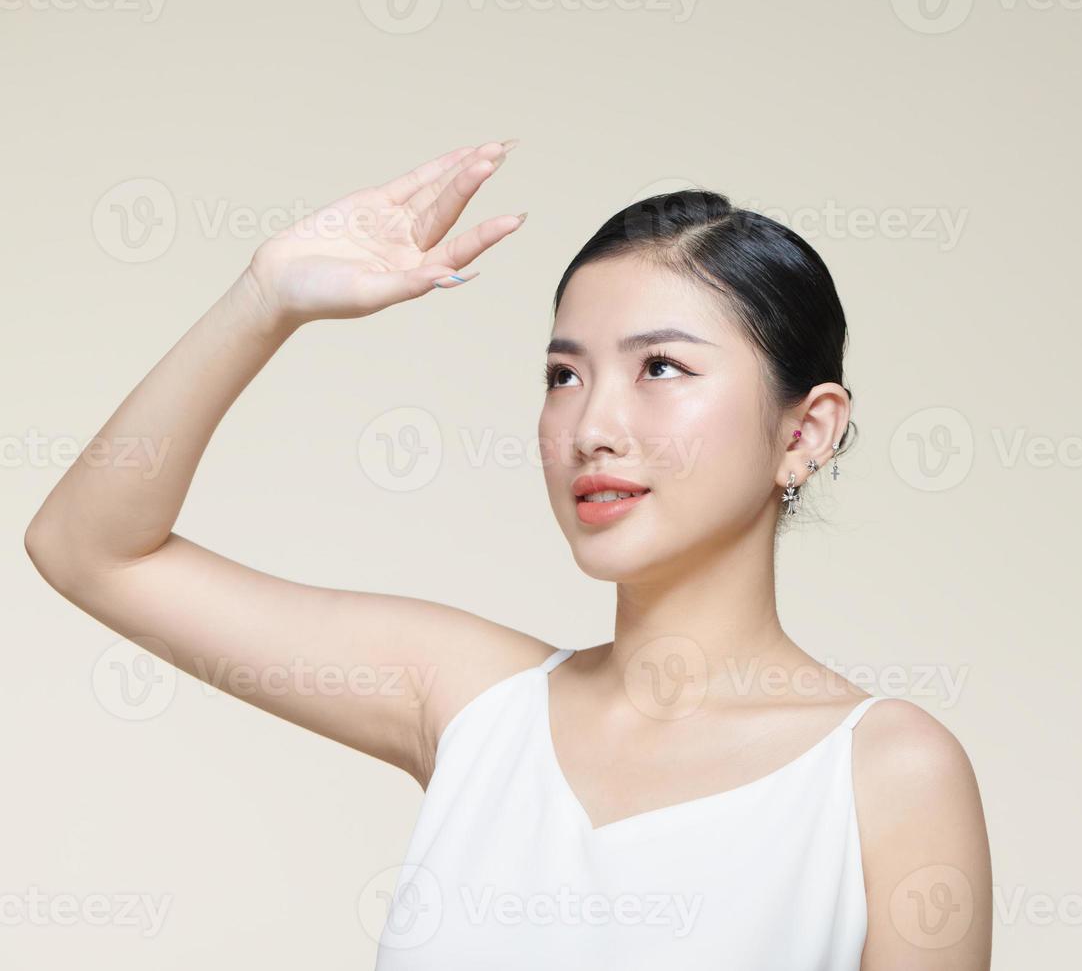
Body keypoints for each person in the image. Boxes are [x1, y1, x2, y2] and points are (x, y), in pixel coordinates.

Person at [24, 140, 991, 969]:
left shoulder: (885, 774)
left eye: (662, 367)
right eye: (563, 375)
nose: (593, 424)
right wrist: (265, 299)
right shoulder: (473, 704)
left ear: (806, 431)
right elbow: (89, 549)